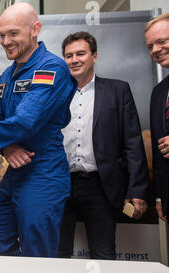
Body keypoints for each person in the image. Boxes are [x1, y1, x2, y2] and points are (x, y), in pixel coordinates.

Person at [0, 3, 77, 257]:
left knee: (36, 257)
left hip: (43, 172)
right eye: (1, 35)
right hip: (14, 171)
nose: (6, 41)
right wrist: (6, 147)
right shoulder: (6, 77)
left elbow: (23, 122)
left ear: (35, 30)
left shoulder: (51, 69)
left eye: (13, 33)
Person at [58, 32, 149, 260]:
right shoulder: (54, 94)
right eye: (68, 56)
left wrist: (137, 190)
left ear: (94, 56)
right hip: (59, 185)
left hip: (101, 187)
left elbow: (133, 143)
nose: (74, 60)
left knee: (103, 255)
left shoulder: (118, 91)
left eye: (80, 53)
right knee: (57, 254)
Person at [146, 12, 169, 223]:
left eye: (162, 41)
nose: (155, 50)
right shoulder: (159, 92)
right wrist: (161, 196)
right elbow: (157, 148)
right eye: (150, 46)